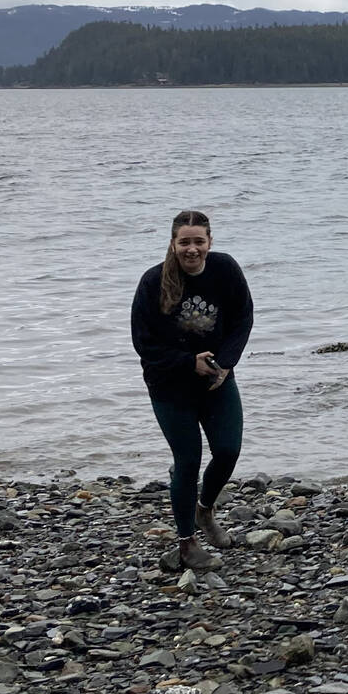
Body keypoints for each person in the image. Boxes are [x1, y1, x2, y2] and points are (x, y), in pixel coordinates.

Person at [131, 209, 254, 571]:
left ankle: (205, 509)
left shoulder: (225, 269)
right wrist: (189, 362)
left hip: (216, 379)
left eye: (198, 241)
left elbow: (243, 318)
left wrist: (226, 362)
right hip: (170, 385)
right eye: (184, 242)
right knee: (187, 462)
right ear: (173, 244)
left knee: (228, 450)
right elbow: (144, 343)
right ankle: (187, 544)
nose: (192, 249)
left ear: (210, 242)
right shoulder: (153, 282)